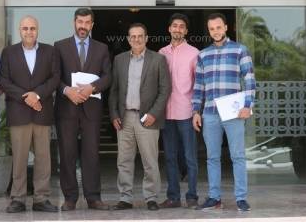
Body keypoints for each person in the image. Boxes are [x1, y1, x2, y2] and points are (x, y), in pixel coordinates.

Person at [192, 13, 255, 212]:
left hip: (234, 113)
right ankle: (214, 198)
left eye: (218, 27)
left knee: (238, 156)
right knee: (212, 158)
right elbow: (199, 86)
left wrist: (248, 105)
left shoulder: (240, 50)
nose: (215, 31)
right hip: (210, 113)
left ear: (226, 27)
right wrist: (196, 111)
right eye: (212, 29)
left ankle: (241, 198)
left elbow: (250, 79)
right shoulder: (203, 55)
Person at [0, 16, 60, 213]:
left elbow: (55, 78)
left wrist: (37, 94)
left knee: (43, 158)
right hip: (19, 113)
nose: (29, 32)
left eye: (32, 28)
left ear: (37, 30)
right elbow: (3, 80)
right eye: (25, 28)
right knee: (19, 158)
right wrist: (26, 97)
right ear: (20, 30)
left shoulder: (50, 51)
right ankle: (18, 199)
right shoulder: (9, 52)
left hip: (42, 112)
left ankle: (41, 198)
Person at [108, 23, 170, 211]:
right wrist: (114, 114)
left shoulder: (158, 59)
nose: (136, 39)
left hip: (148, 118)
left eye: (140, 36)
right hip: (125, 117)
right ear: (128, 39)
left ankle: (151, 197)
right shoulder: (119, 60)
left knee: (150, 160)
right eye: (133, 36)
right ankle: (125, 198)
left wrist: (153, 114)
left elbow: (165, 90)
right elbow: (114, 90)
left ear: (146, 38)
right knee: (124, 161)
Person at [54, 8, 111, 211]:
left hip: (91, 110)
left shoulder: (102, 48)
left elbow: (108, 76)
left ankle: (93, 197)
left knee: (91, 155)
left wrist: (92, 88)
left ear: (92, 25)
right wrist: (66, 90)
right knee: (67, 154)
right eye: (80, 22)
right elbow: (54, 76)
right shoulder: (60, 46)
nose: (83, 26)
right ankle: (70, 198)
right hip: (66, 109)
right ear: (74, 22)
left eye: (87, 23)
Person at [158, 13, 199, 209]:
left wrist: (197, 110)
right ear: (169, 29)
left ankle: (192, 196)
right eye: (175, 25)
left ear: (186, 31)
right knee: (170, 157)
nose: (178, 29)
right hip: (166, 113)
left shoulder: (194, 53)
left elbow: (199, 84)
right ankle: (173, 197)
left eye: (182, 26)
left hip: (186, 112)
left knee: (190, 157)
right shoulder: (161, 53)